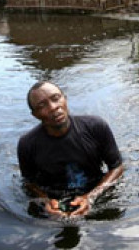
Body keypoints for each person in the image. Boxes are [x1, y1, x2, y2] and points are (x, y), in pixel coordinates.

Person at [17, 81, 124, 217]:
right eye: (42, 105)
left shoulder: (96, 127)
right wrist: (45, 200)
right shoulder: (27, 144)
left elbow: (117, 167)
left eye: (56, 98)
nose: (53, 107)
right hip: (55, 193)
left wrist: (91, 197)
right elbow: (28, 183)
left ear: (65, 99)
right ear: (35, 115)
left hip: (94, 186)